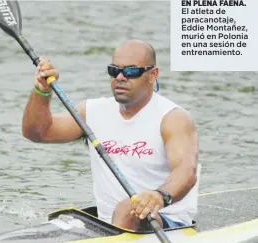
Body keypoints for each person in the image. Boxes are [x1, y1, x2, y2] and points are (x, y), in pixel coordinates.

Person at [22, 39, 199, 231]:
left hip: (164, 220)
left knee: (128, 208)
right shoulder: (93, 112)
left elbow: (186, 172)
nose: (120, 77)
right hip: (109, 224)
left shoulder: (173, 118)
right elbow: (38, 133)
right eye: (114, 70)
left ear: (152, 75)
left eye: (131, 72)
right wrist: (42, 92)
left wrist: (159, 195)